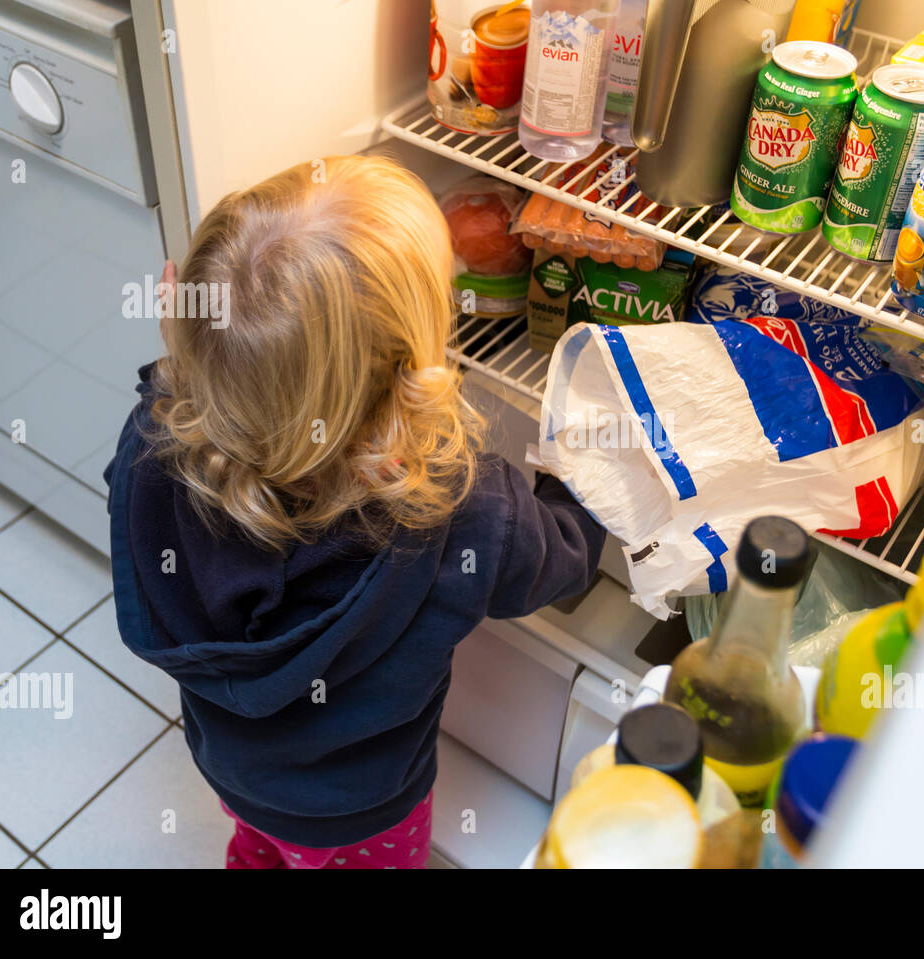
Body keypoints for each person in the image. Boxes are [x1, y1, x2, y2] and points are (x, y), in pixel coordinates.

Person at [104, 155, 605, 868]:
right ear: (411, 370)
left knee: (260, 847)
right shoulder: (461, 509)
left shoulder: (153, 448)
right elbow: (562, 560)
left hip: (236, 775)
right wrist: (580, 461)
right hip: (362, 814)